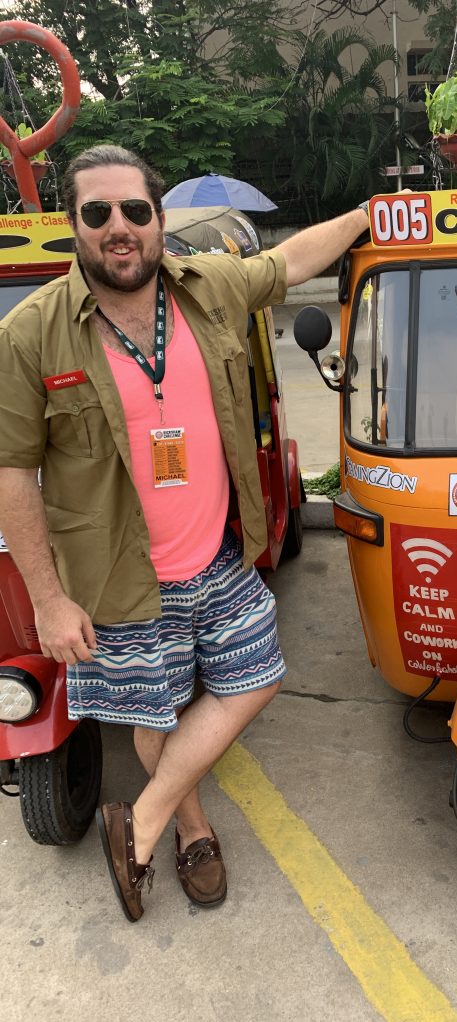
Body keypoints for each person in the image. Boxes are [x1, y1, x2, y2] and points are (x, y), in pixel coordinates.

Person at [0, 145, 370, 923]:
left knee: (258, 674)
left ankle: (139, 819)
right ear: (75, 226)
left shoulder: (208, 289)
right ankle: (189, 830)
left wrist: (370, 216)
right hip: (117, 577)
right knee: (153, 711)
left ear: (158, 220)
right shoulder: (33, 333)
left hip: (218, 554)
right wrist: (48, 598)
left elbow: (289, 260)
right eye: (98, 213)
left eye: (135, 210)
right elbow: (11, 472)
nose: (119, 227)